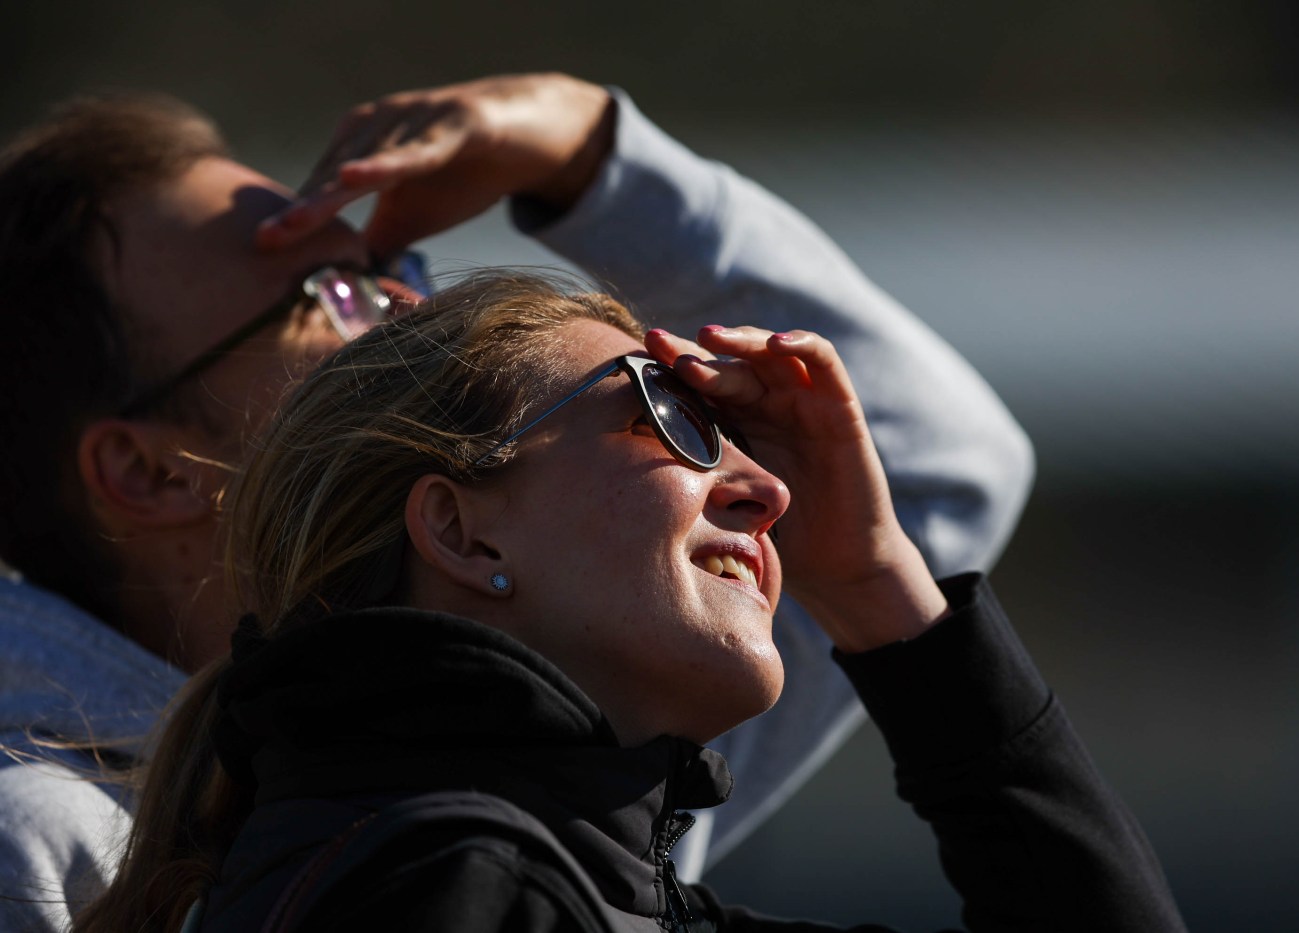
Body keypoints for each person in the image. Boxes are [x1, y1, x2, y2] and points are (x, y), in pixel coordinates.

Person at [0, 75, 1033, 929]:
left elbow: (914, 471)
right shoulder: (33, 837)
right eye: (332, 295)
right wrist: (602, 176)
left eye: (393, 269)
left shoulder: (566, 723)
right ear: (152, 473)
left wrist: (592, 151)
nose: (417, 306)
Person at [74, 272, 1183, 932]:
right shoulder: (456, 887)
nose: (766, 490)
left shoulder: (515, 880)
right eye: (670, 413)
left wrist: (872, 582)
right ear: (461, 529)